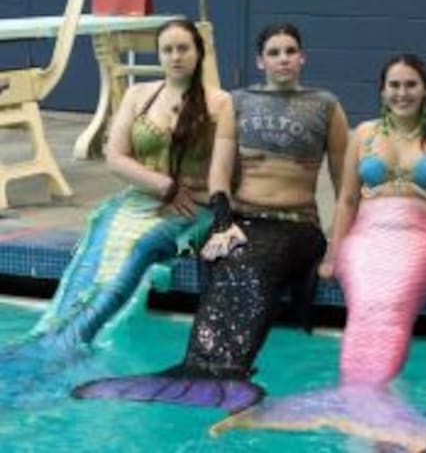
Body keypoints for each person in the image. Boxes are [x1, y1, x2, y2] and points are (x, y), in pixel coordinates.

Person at [72, 23, 349, 413]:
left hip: (296, 223)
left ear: (302, 57)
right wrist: (222, 221)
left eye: (290, 51)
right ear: (260, 61)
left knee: (252, 261)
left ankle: (228, 370)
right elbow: (219, 170)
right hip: (244, 218)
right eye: (274, 52)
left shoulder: (326, 105)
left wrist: (335, 247)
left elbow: (345, 187)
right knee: (222, 257)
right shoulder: (240, 101)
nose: (283, 59)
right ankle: (197, 367)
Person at [208, 53, 426, 451]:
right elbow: (347, 200)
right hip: (366, 237)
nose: (401, 93)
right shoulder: (364, 134)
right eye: (394, 85)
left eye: (410, 85)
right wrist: (333, 254)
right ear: (382, 91)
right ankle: (373, 412)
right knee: (366, 310)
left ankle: (357, 411)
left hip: (422, 239)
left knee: (390, 305)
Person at [0, 18, 231, 404]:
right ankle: (49, 336)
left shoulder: (219, 103)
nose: (176, 56)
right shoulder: (139, 95)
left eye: (183, 48)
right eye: (168, 50)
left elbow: (222, 172)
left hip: (192, 206)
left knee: (138, 248)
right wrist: (164, 185)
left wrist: (219, 214)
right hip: (140, 198)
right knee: (94, 257)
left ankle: (75, 342)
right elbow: (115, 157)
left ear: (198, 52)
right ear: (159, 55)